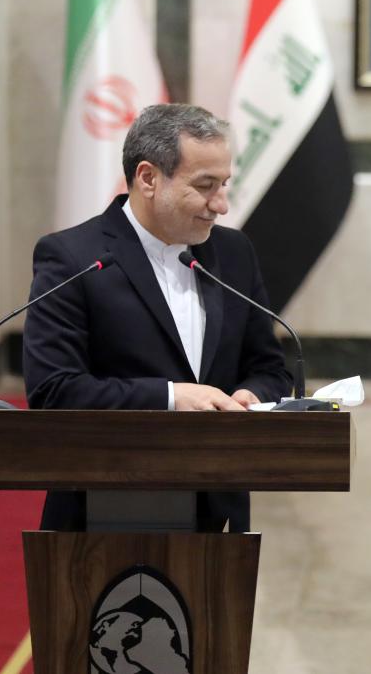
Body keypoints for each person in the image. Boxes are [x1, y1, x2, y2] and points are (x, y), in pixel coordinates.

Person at [23, 103, 293, 532]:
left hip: (218, 513)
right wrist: (170, 398)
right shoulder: (73, 258)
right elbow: (54, 391)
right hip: (101, 512)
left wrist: (250, 395)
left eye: (224, 184)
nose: (221, 205)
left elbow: (270, 367)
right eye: (204, 186)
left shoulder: (234, 254)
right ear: (148, 178)